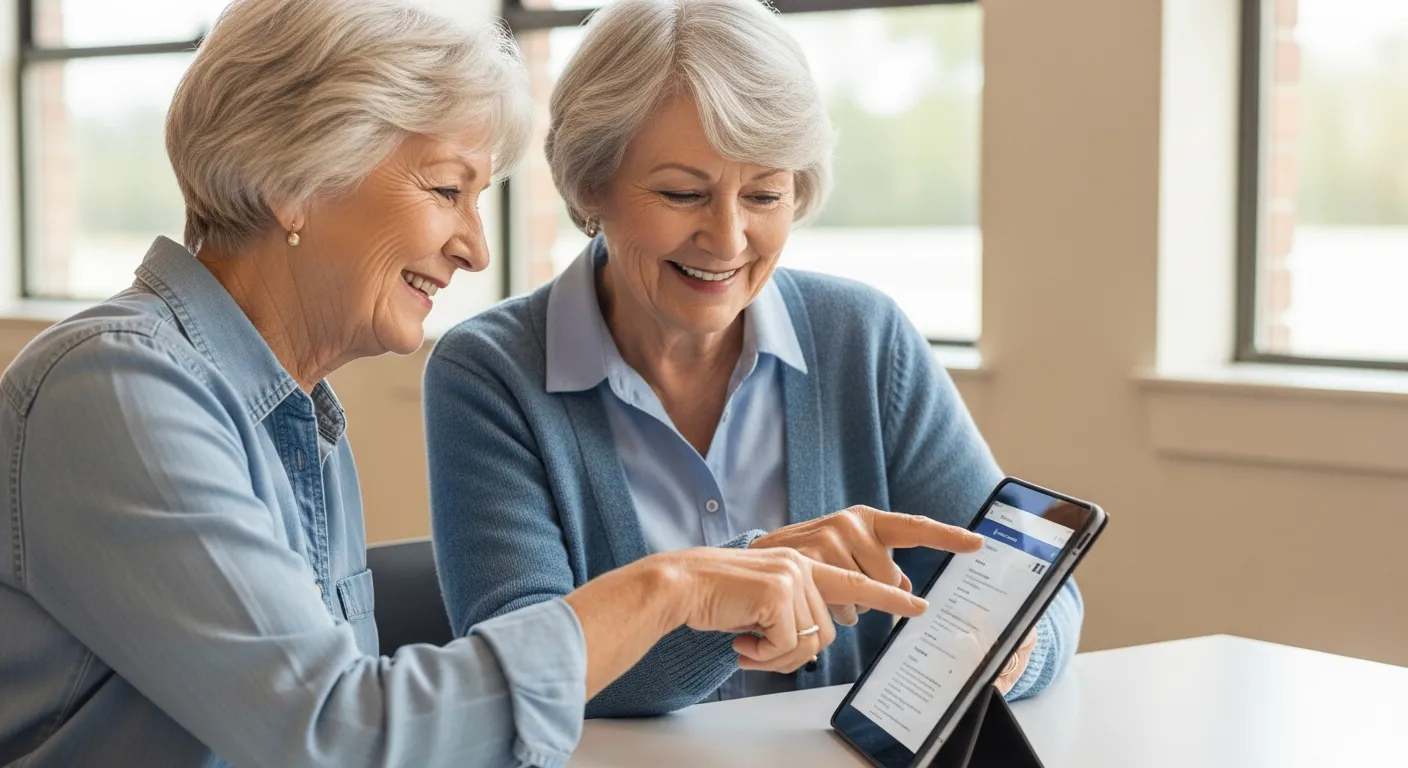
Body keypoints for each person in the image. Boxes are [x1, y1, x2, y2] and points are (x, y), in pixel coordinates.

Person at [0, 2, 939, 766]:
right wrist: (674, 587)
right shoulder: (120, 388)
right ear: (292, 179)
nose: (474, 246)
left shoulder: (291, 415)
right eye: (447, 191)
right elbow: (344, 732)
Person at [425, 0, 1084, 719]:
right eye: (683, 194)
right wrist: (743, 577)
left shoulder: (863, 338)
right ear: (590, 185)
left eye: (765, 194)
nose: (729, 239)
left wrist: (1003, 647)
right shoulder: (488, 373)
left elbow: (1039, 597)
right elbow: (519, 670)